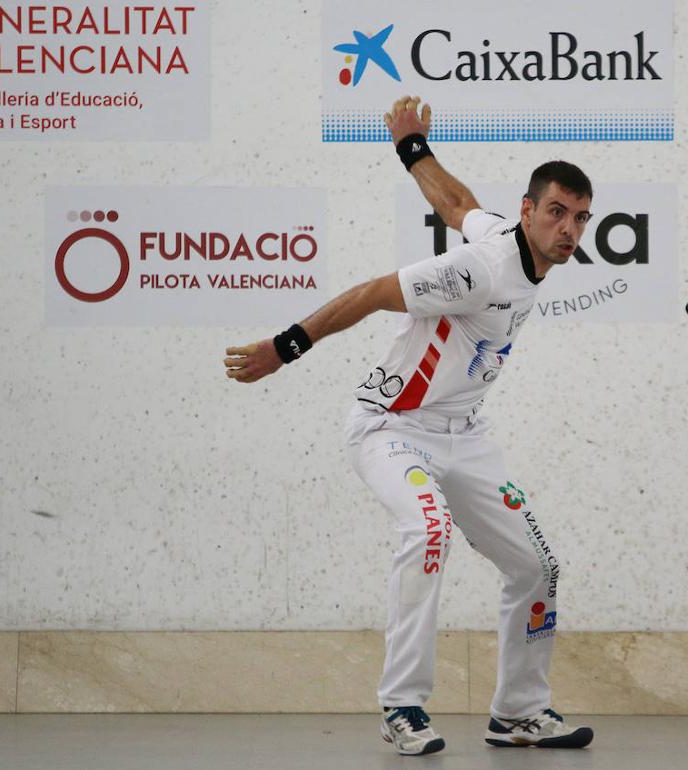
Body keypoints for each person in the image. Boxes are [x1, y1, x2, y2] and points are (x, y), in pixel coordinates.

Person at [223, 95, 595, 756]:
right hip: (390, 427)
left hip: (465, 435)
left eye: (581, 219)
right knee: (428, 529)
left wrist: (412, 147)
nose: (569, 229)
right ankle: (403, 705)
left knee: (537, 566)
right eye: (557, 212)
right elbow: (371, 292)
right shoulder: (478, 270)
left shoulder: (501, 239)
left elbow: (455, 202)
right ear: (530, 211)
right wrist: (284, 348)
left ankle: (517, 713)